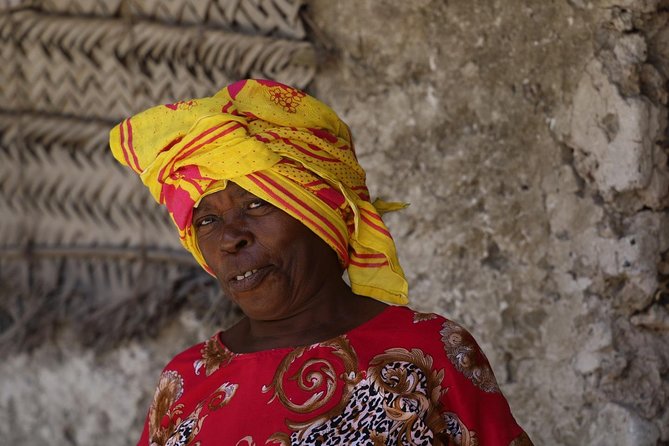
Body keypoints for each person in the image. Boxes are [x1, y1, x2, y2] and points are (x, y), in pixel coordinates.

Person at [109, 79, 533, 446]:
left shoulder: (425, 352)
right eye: (207, 220)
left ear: (325, 212)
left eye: (257, 204)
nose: (230, 238)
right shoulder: (186, 381)